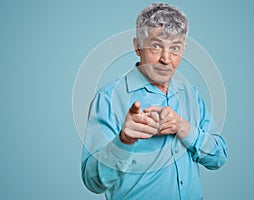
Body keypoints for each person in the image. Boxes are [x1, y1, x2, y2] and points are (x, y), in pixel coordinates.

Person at [81, 3, 227, 200]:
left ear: (183, 49)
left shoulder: (191, 95)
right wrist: (124, 141)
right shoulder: (109, 98)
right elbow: (93, 181)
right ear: (137, 46)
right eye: (156, 46)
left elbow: (218, 157)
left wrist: (184, 128)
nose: (166, 59)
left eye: (175, 48)